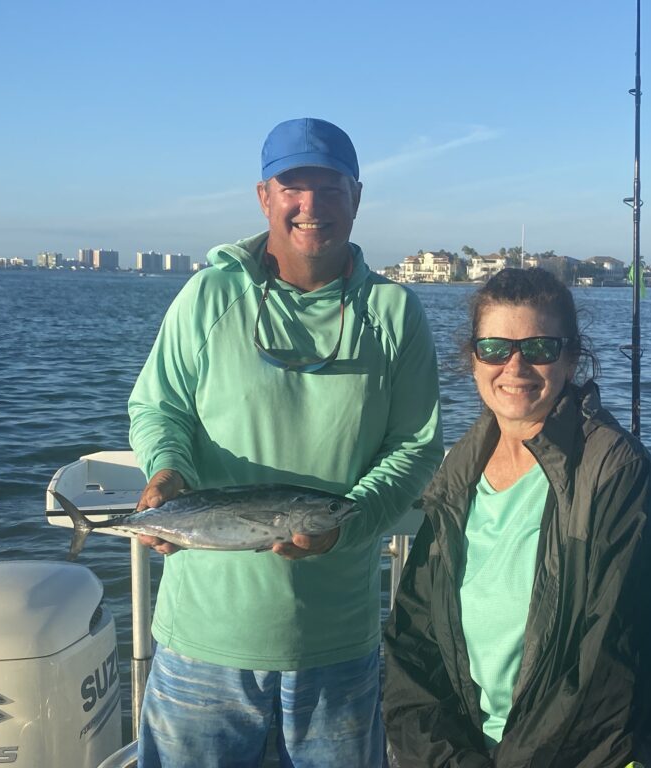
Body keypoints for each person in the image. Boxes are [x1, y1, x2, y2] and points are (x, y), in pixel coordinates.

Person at [128, 117, 443, 768]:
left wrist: (346, 527)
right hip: (201, 642)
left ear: (357, 197)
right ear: (264, 197)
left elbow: (416, 447)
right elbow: (160, 408)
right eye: (293, 187)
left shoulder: (394, 314)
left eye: (330, 189)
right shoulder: (208, 296)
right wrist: (165, 469)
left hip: (336, 644)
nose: (312, 206)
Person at [383, 268, 651, 767]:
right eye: (494, 348)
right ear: (472, 357)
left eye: (539, 349)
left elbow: (617, 675)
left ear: (571, 358)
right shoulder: (456, 475)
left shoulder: (621, 478)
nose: (515, 366)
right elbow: (413, 647)